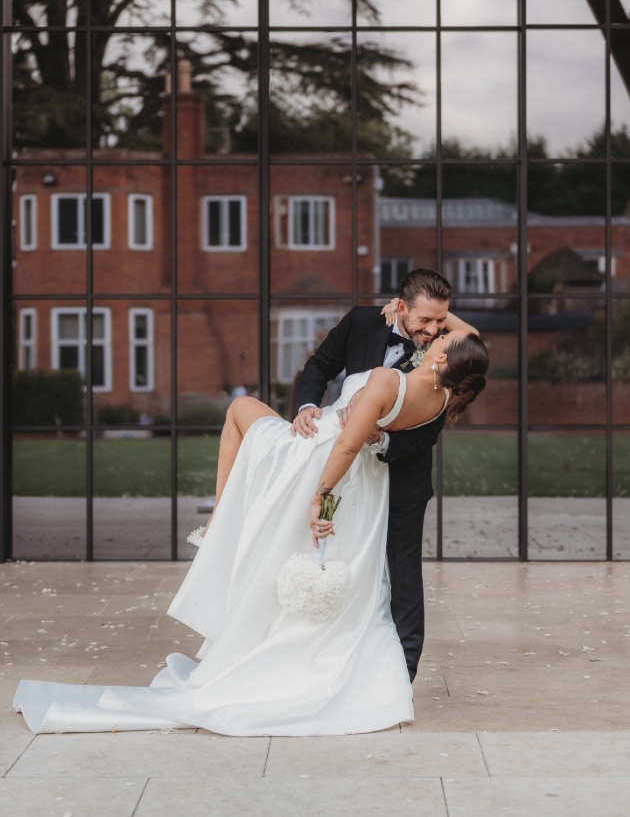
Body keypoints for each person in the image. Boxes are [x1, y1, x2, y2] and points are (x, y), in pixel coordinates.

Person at [14, 306, 488, 737]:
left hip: (319, 461)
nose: (438, 333)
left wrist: (318, 498)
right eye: (434, 326)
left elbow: (346, 447)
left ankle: (220, 518)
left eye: (442, 336)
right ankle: (245, 557)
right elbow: (469, 341)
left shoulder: (388, 380)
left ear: (444, 358)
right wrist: (422, 317)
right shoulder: (441, 396)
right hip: (362, 487)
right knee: (324, 559)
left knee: (240, 411)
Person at [292, 268, 466, 681]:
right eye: (424, 320)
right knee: (332, 552)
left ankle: (402, 674)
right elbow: (319, 366)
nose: (432, 330)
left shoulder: (443, 349)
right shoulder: (361, 321)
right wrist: (307, 406)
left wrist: (383, 440)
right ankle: (328, 659)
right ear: (400, 307)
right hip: (344, 471)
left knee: (402, 574)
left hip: (403, 477)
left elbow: (429, 432)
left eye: (440, 320)